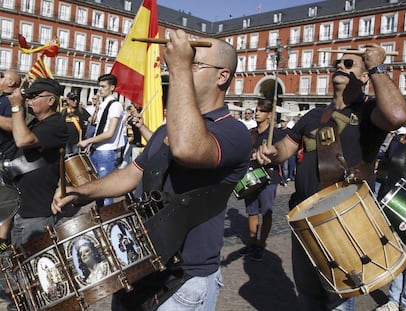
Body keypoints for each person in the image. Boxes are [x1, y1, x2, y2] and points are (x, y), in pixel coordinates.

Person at [51, 29, 251, 311]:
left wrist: (179, 67)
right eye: (187, 61)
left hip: (183, 281)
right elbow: (132, 173)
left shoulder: (233, 131)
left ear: (222, 76)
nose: (185, 64)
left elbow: (187, 149)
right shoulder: (165, 131)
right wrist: (82, 192)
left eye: (196, 62)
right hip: (138, 267)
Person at [256, 43, 406, 311]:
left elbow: (397, 115)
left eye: (349, 64)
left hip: (344, 217)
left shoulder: (370, 110)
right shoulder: (313, 115)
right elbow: (285, 150)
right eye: (337, 63)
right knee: (308, 297)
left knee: (337, 300)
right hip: (305, 215)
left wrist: (377, 67)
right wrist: (271, 152)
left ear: (364, 77)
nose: (340, 66)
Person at [6, 78, 68, 248]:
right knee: (20, 266)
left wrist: (17, 106)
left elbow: (23, 140)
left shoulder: (56, 124)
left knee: (38, 264)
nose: (29, 100)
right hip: (22, 209)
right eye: (28, 96)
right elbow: (17, 127)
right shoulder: (36, 122)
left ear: (51, 100)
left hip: (38, 212)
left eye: (34, 96)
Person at [375, 109, 406, 311]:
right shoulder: (400, 139)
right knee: (397, 253)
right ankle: (392, 300)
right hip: (393, 199)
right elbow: (384, 165)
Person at [239, 99, 285, 261]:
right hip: (252, 177)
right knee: (252, 211)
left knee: (266, 212)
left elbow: (282, 155)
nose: (257, 113)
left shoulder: (278, 134)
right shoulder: (251, 133)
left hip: (269, 178)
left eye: (261, 111)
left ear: (269, 115)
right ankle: (252, 243)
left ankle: (261, 244)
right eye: (256, 110)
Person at [78, 74, 125, 208]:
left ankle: (107, 221)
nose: (100, 89)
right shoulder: (103, 105)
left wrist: (88, 141)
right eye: (99, 86)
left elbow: (109, 133)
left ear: (112, 88)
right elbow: (99, 127)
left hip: (107, 152)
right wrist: (92, 144)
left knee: (105, 192)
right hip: (97, 150)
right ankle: (101, 218)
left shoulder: (115, 105)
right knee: (98, 191)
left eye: (103, 86)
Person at [0, 70, 21, 250]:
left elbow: (14, 125)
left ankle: (2, 241)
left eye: (2, 76)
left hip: (4, 156)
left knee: (5, 198)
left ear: (10, 82)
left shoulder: (9, 102)